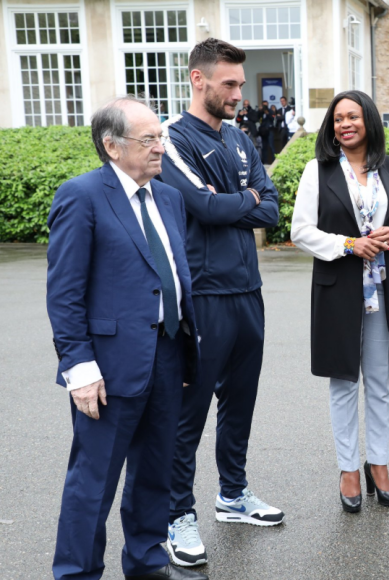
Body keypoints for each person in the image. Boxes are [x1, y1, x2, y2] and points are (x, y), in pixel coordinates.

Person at [46, 96, 207, 580]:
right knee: (92, 483)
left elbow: (173, 277)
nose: (162, 148)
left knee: (155, 476)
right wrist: (79, 368)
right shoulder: (82, 195)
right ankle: (76, 573)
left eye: (163, 137)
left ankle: (146, 562)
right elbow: (65, 293)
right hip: (108, 366)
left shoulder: (170, 198)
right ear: (112, 146)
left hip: (168, 355)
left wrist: (182, 349)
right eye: (150, 139)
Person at [158, 38, 283, 568]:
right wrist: (244, 200)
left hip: (247, 294)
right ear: (198, 80)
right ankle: (176, 513)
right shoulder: (172, 139)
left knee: (241, 403)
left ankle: (232, 496)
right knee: (191, 410)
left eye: (239, 82)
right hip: (203, 297)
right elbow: (203, 209)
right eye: (229, 83)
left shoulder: (239, 139)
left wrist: (243, 201)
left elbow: (271, 208)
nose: (238, 92)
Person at [291, 90, 389, 513]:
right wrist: (349, 244)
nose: (344, 124)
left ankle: (378, 465)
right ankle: (349, 469)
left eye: (352, 116)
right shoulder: (318, 170)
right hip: (338, 289)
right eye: (337, 118)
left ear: (368, 121)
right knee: (344, 380)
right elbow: (301, 231)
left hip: (385, 287)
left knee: (380, 383)